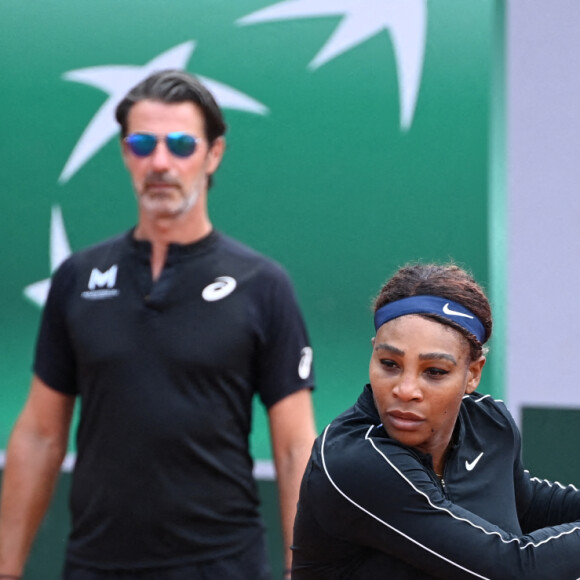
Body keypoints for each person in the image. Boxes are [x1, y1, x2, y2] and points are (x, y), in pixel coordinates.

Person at [0, 69, 316, 580]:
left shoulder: (262, 283)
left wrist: (307, 569)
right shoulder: (78, 277)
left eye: (181, 145)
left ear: (213, 155)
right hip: (96, 564)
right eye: (143, 144)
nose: (161, 163)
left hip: (221, 565)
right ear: (125, 152)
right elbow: (39, 434)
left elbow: (295, 446)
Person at [291, 263, 580, 579]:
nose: (405, 390)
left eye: (434, 371)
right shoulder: (355, 460)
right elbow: (511, 569)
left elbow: (525, 504)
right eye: (390, 364)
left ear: (473, 373)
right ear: (373, 354)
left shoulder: (489, 425)